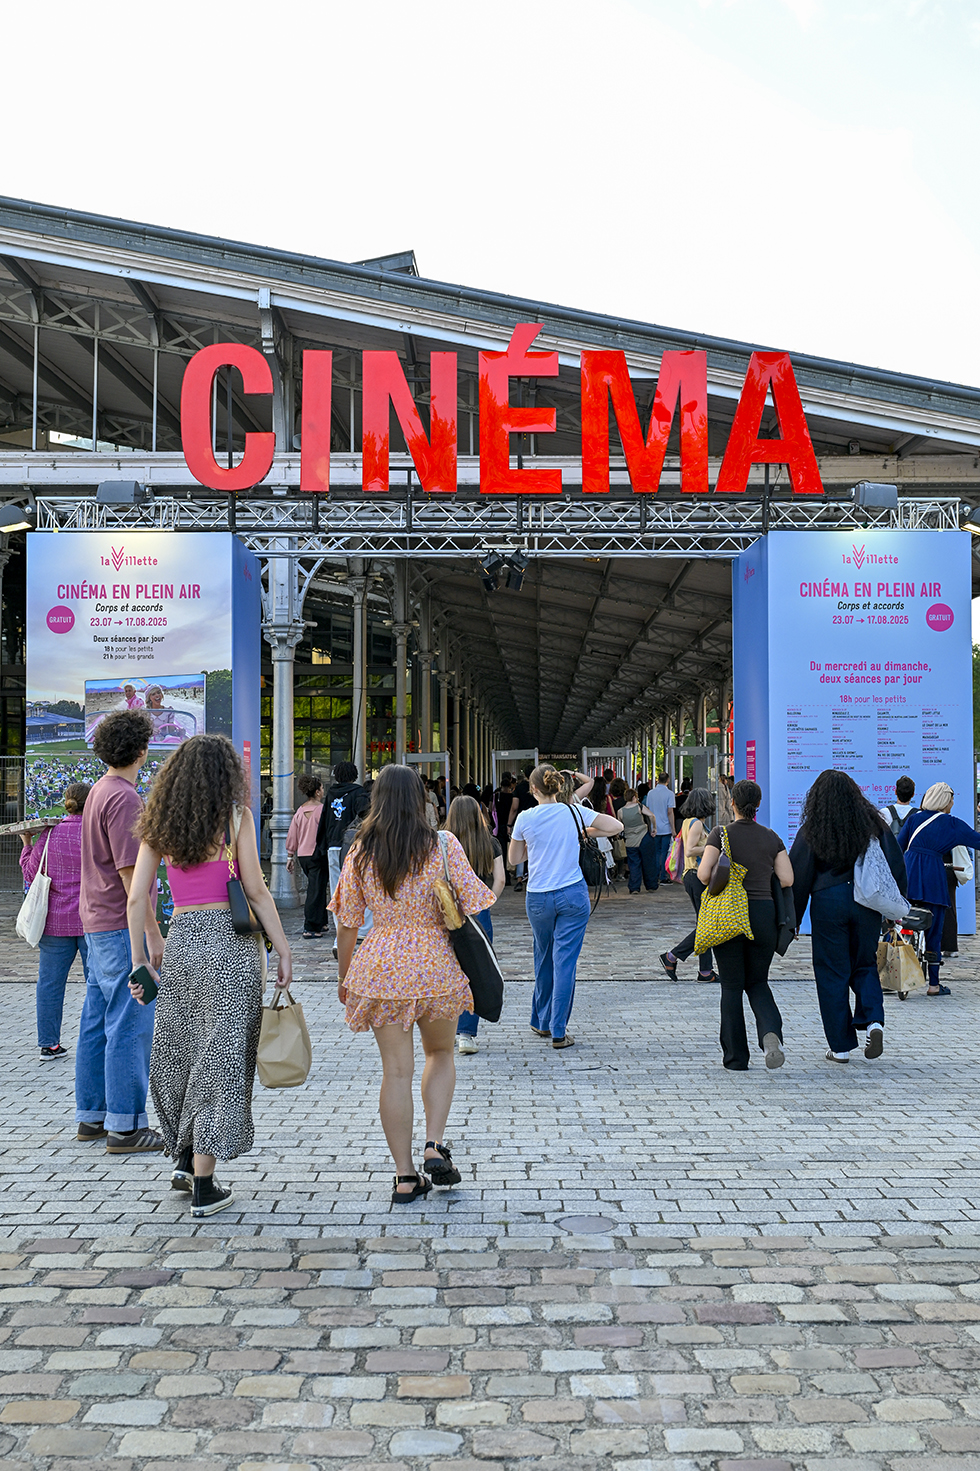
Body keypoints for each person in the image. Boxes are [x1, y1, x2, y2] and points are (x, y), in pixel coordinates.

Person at [128, 734, 292, 1218]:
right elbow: (257, 891)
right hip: (231, 944)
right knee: (222, 1056)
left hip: (182, 941)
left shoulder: (159, 824)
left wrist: (139, 960)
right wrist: (282, 950)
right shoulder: (234, 819)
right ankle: (203, 1181)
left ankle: (182, 1158)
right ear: (227, 776)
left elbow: (138, 899)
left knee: (180, 1048)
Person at [331, 764, 494, 1202]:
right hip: (436, 965)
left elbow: (347, 924)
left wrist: (346, 978)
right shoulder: (443, 845)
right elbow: (475, 902)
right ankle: (433, 1145)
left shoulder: (361, 850)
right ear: (420, 798)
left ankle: (405, 1177)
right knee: (440, 1053)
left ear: (377, 798)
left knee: (395, 1072)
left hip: (381, 967)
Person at [76, 709, 165, 1154]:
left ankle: (92, 1116)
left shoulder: (98, 790)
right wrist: (150, 937)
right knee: (129, 1019)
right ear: (143, 750)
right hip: (118, 923)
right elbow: (134, 881)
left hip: (95, 920)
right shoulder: (126, 798)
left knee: (96, 1019)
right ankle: (126, 1126)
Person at [791, 769, 907, 1061]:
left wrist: (792, 917)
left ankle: (840, 1047)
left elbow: (799, 873)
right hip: (866, 904)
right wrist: (894, 908)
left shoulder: (813, 828)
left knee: (832, 972)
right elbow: (894, 866)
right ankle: (874, 1021)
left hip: (828, 902)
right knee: (865, 964)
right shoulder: (873, 824)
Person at [509, 763, 623, 1050]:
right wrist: (584, 832)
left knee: (543, 956)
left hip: (538, 896)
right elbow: (616, 826)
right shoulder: (573, 812)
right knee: (565, 962)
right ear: (559, 787)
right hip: (572, 894)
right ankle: (559, 1030)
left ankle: (541, 1020)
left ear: (533, 789)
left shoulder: (525, 818)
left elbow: (514, 859)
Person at [697, 779, 793, 1071]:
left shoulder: (720, 833)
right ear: (758, 806)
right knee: (758, 982)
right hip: (764, 914)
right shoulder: (771, 837)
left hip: (728, 916)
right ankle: (770, 1034)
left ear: (732, 804)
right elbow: (787, 879)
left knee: (731, 987)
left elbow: (703, 875)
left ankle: (736, 1058)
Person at [20, 783, 92, 1061]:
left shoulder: (50, 834)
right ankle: (97, 1040)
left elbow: (29, 873)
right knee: (97, 983)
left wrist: (27, 846)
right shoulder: (96, 833)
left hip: (55, 922)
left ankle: (48, 1043)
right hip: (91, 920)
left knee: (50, 984)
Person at [898, 781, 980, 996]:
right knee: (934, 930)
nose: (953, 802)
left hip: (910, 872)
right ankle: (934, 985)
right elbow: (977, 841)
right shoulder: (952, 824)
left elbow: (899, 845)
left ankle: (896, 969)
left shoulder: (914, 819)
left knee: (900, 917)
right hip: (933, 875)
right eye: (951, 798)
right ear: (945, 800)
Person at [447, 794, 506, 1055]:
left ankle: (444, 1029)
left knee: (448, 970)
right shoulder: (490, 842)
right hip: (479, 912)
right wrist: (487, 902)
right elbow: (501, 879)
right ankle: (466, 1034)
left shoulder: (443, 843)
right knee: (476, 970)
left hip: (448, 912)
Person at [313, 761, 371, 955]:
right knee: (360, 886)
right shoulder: (360, 793)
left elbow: (325, 821)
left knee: (337, 889)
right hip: (353, 846)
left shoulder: (330, 794)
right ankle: (361, 929)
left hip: (333, 846)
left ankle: (342, 927)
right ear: (354, 774)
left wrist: (321, 845)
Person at [660, 787, 718, 982]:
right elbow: (690, 850)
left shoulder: (688, 822)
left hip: (693, 877)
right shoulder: (696, 825)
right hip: (696, 876)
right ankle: (672, 956)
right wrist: (712, 847)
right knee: (707, 925)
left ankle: (705, 971)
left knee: (704, 923)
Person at [286, 775, 326, 939]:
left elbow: (292, 835)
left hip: (303, 856)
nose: (323, 791)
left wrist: (290, 856)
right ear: (317, 792)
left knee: (318, 887)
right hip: (318, 855)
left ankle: (322, 921)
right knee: (315, 890)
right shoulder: (323, 810)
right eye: (322, 788)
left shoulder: (300, 811)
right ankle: (310, 926)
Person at [619, 787, 658, 894]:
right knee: (648, 862)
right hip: (644, 836)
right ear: (634, 797)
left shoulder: (620, 811)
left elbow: (620, 826)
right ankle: (651, 885)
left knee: (633, 864)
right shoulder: (639, 806)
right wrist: (654, 828)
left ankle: (634, 887)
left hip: (630, 841)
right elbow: (651, 815)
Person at [644, 773, 676, 887]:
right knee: (664, 852)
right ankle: (663, 877)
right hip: (666, 827)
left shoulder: (651, 793)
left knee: (656, 852)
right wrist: (673, 829)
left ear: (658, 780)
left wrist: (650, 826)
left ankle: (655, 875)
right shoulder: (670, 794)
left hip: (654, 827)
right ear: (667, 780)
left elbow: (648, 811)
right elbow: (670, 812)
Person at [511, 778, 536, 893]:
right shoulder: (537, 787)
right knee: (534, 848)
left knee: (520, 849)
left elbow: (515, 807)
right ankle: (532, 876)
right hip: (536, 821)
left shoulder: (519, 788)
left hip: (521, 822)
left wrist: (509, 823)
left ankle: (519, 879)